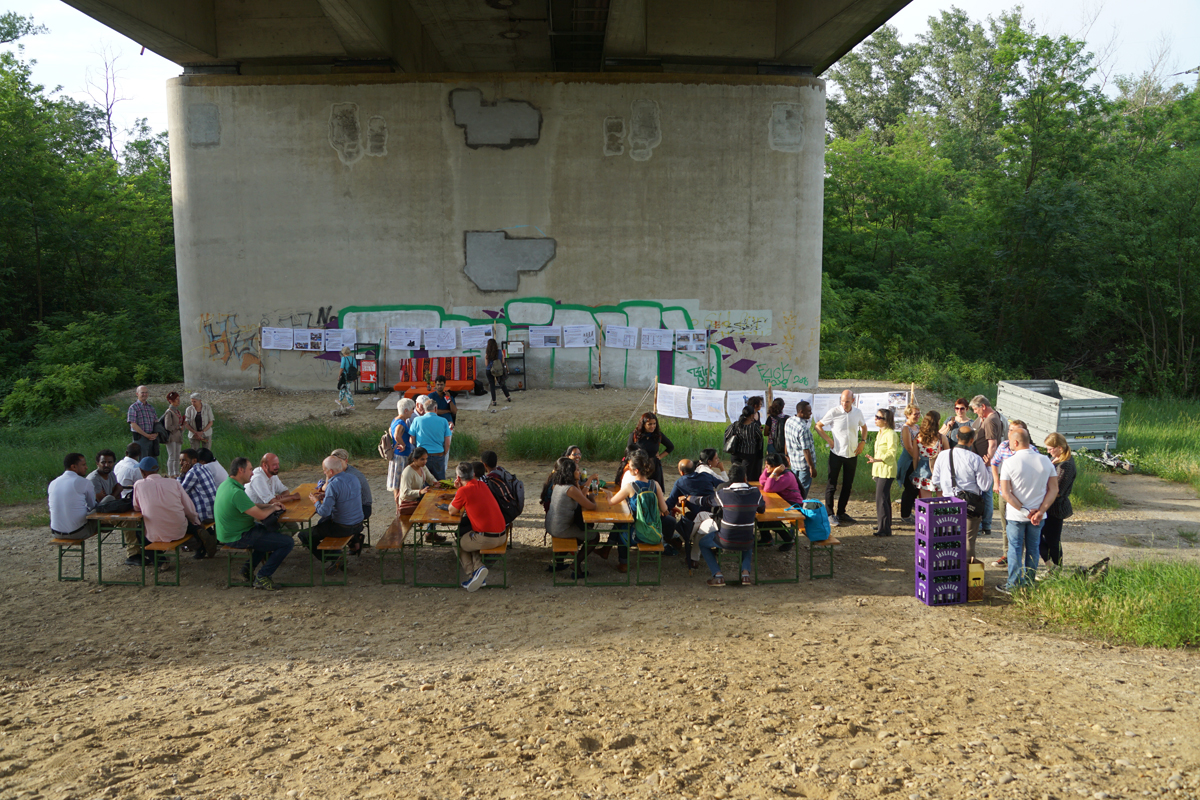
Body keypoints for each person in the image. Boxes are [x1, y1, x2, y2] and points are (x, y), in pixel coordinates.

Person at [214, 456, 293, 590]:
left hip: (231, 531)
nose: (252, 473)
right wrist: (273, 508)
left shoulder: (227, 484)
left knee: (269, 532)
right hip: (237, 536)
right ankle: (262, 576)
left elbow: (249, 505)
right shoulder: (236, 492)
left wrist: (268, 506)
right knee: (287, 542)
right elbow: (261, 515)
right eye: (250, 469)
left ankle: (247, 568)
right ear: (241, 470)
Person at [998, 427, 1058, 593]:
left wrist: (1025, 511)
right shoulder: (1046, 460)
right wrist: (1040, 511)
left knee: (1015, 549)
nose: (1009, 445)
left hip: (1016, 515)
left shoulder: (1009, 462)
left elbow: (1006, 493)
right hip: (1039, 516)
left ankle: (1013, 584)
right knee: (1033, 548)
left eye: (1011, 442)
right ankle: (1029, 582)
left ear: (1016, 442)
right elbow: (1053, 489)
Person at [930, 426, 993, 563]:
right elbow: (985, 486)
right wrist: (988, 468)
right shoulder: (976, 459)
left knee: (948, 537)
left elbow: (935, 480)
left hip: (947, 502)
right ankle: (967, 570)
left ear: (957, 437)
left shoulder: (943, 455)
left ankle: (947, 566)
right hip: (969, 506)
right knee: (968, 540)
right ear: (972, 440)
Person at [696, 464, 765, 587]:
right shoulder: (756, 492)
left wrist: (689, 498)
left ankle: (718, 575)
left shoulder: (723, 493)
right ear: (745, 478)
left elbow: (704, 501)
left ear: (730, 479)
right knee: (748, 538)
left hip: (725, 540)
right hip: (746, 540)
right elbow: (762, 509)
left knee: (702, 543)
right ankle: (745, 574)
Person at [132, 456, 209, 558]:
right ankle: (199, 542)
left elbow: (136, 507)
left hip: (155, 534)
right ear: (158, 469)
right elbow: (189, 508)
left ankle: (159, 561)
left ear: (142, 471)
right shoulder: (174, 482)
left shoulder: (138, 485)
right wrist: (196, 521)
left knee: (139, 531)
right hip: (179, 529)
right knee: (186, 522)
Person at [448, 461, 506, 591]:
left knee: (457, 543)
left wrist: (458, 490)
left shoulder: (463, 491)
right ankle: (479, 571)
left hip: (487, 538)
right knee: (471, 537)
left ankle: (473, 575)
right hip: (501, 535)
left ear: (458, 477)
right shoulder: (482, 485)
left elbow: (452, 510)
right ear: (473, 474)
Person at [302, 456, 364, 573]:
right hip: (359, 524)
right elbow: (345, 497)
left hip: (343, 527)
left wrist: (315, 501)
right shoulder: (353, 478)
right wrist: (327, 496)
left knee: (305, 535)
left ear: (330, 471)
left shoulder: (333, 484)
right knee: (323, 524)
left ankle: (334, 557)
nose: (324, 473)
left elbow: (324, 512)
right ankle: (353, 540)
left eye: (324, 470)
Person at [815, 390, 867, 527]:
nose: (844, 404)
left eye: (847, 402)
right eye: (842, 401)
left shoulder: (857, 412)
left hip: (852, 454)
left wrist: (863, 441)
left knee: (847, 485)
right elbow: (818, 426)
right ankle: (829, 513)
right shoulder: (834, 412)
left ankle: (841, 512)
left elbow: (864, 426)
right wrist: (828, 439)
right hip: (836, 453)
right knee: (831, 484)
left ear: (853, 401)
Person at [544, 456, 599, 576]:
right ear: (570, 473)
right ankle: (576, 564)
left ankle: (559, 562)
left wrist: (577, 482)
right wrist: (592, 498)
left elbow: (580, 496)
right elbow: (591, 506)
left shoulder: (558, 484)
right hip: (560, 529)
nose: (579, 472)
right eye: (577, 470)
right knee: (595, 536)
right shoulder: (570, 489)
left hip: (550, 525)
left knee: (580, 531)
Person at [988, 419, 1028, 568]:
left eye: (1014, 430)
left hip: (1021, 494)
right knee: (1005, 525)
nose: (1010, 433)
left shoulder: (1030, 450)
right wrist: (996, 482)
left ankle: (1020, 558)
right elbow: (994, 462)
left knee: (1021, 525)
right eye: (1010, 429)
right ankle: (1007, 554)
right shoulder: (1004, 446)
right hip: (1005, 492)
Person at [1039, 433, 1076, 570]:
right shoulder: (1055, 459)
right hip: (1048, 505)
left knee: (1053, 541)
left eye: (1050, 449)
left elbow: (1057, 490)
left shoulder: (1066, 465)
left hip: (1055, 508)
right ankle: (1050, 565)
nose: (1048, 451)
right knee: (1037, 537)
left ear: (1059, 448)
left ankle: (1056, 567)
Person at [969, 395, 1004, 537]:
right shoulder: (992, 417)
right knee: (985, 492)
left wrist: (989, 460)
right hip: (984, 461)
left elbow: (992, 443)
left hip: (985, 462)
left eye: (975, 409)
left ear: (983, 406)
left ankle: (985, 524)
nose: (975, 412)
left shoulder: (990, 420)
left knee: (985, 493)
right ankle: (985, 524)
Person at [865, 407, 900, 537]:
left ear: (886, 420)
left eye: (878, 417)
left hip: (887, 469)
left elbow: (892, 452)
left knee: (881, 499)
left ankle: (884, 529)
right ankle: (884, 524)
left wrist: (878, 459)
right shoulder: (880, 433)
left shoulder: (891, 434)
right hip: (879, 469)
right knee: (884, 498)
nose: (876, 419)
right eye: (876, 416)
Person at [178, 448, 219, 558]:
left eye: (184, 460)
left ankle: (200, 548)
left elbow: (179, 492)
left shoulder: (192, 473)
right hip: (214, 510)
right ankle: (209, 537)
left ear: (194, 460)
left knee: (181, 523)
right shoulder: (203, 468)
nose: (181, 463)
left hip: (205, 514)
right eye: (180, 460)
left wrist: (181, 475)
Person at [48, 453, 97, 540]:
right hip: (78, 532)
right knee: (106, 506)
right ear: (73, 467)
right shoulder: (84, 482)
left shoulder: (53, 483)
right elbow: (92, 506)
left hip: (56, 533)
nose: (86, 467)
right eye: (83, 465)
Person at [758, 453, 800, 550]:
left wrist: (773, 473)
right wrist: (769, 471)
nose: (765, 467)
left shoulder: (787, 476)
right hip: (781, 501)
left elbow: (767, 488)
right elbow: (762, 481)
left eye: (767, 465)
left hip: (792, 504)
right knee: (760, 512)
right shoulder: (776, 472)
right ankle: (766, 538)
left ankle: (789, 539)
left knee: (770, 519)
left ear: (775, 466)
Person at [399, 447, 443, 541]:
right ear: (414, 459)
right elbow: (404, 493)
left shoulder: (422, 467)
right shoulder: (408, 472)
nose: (425, 461)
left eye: (426, 459)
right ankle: (430, 533)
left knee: (436, 501)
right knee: (433, 506)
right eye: (422, 459)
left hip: (417, 498)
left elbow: (430, 478)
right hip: (408, 502)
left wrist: (435, 482)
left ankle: (431, 532)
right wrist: (419, 492)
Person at [408, 396, 452, 480]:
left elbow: (411, 440)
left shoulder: (417, 420)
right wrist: (443, 453)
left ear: (424, 409)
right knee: (440, 481)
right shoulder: (444, 421)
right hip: (438, 454)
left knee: (424, 481)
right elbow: (448, 442)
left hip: (422, 455)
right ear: (435, 408)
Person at [627, 412, 674, 490]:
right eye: (649, 424)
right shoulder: (635, 435)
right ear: (643, 424)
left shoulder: (658, 435)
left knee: (655, 489)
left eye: (654, 424)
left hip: (654, 467)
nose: (652, 426)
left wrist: (660, 456)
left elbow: (670, 447)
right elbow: (629, 451)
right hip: (640, 467)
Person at [387, 398, 416, 510]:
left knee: (397, 483)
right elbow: (396, 434)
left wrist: (395, 443)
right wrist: (402, 444)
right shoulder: (401, 422)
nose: (413, 411)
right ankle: (400, 508)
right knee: (400, 482)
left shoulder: (395, 419)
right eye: (412, 409)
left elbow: (390, 430)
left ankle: (398, 508)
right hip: (401, 456)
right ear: (406, 410)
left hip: (397, 454)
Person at [331, 448, 372, 524]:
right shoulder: (340, 471)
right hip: (352, 505)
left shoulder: (351, 475)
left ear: (346, 461)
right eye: (333, 462)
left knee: (328, 515)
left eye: (339, 462)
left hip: (362, 507)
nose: (336, 465)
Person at [783, 400, 815, 498]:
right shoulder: (803, 429)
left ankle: (793, 505)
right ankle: (798, 506)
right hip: (804, 465)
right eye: (808, 411)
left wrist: (786, 455)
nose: (811, 413)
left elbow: (786, 439)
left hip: (794, 462)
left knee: (793, 488)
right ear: (801, 412)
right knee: (802, 492)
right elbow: (806, 450)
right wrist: (811, 467)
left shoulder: (789, 421)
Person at [896, 404, 922, 525]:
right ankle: (905, 515)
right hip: (908, 462)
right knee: (909, 488)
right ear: (907, 415)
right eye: (915, 414)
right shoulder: (906, 428)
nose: (917, 416)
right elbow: (909, 447)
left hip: (917, 460)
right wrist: (918, 458)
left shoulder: (917, 427)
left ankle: (909, 511)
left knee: (915, 488)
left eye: (918, 414)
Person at [726, 405, 764, 482]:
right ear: (751, 415)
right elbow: (760, 438)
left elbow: (727, 435)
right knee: (746, 475)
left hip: (735, 454)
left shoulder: (735, 425)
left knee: (736, 474)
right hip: (749, 454)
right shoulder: (754, 427)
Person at [914, 411, 944, 500]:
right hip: (939, 470)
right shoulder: (941, 438)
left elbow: (915, 457)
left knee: (926, 500)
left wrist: (916, 470)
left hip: (923, 470)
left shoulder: (918, 438)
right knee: (942, 499)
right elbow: (947, 456)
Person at [126, 385, 159, 461]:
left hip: (152, 438)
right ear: (137, 394)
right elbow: (133, 424)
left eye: (146, 392)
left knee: (153, 460)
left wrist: (156, 434)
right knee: (143, 460)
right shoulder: (133, 407)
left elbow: (156, 422)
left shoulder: (151, 407)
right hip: (140, 438)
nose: (144, 394)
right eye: (142, 392)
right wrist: (146, 435)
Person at [162, 391, 185, 477]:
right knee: (172, 456)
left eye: (178, 399)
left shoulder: (177, 411)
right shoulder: (169, 412)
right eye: (176, 399)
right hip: (171, 437)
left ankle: (176, 472)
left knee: (177, 456)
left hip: (178, 436)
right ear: (171, 401)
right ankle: (171, 473)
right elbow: (168, 426)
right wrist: (178, 427)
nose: (178, 401)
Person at [484, 338, 511, 406]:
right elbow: (503, 361)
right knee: (502, 383)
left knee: (492, 385)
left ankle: (494, 401)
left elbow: (486, 364)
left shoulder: (487, 354)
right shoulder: (500, 352)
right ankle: (508, 397)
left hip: (490, 370)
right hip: (498, 370)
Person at [337, 346, 357, 410]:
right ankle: (339, 400)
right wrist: (354, 377)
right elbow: (355, 368)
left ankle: (352, 405)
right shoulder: (353, 359)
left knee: (347, 390)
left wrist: (339, 375)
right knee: (344, 387)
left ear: (343, 352)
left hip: (345, 376)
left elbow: (342, 368)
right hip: (351, 376)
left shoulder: (344, 359)